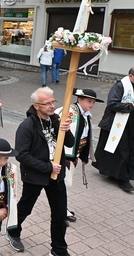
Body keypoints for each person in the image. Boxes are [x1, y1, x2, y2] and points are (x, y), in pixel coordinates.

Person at [6, 87, 74, 256]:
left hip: (56, 176)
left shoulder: (56, 119)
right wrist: (47, 167)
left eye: (53, 102)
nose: (52, 106)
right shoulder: (26, 126)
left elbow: (70, 143)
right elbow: (21, 155)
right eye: (47, 103)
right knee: (26, 207)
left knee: (60, 213)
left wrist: (65, 130)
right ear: (36, 106)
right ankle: (13, 231)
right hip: (36, 176)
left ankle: (59, 250)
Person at [93, 66, 134, 193]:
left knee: (129, 151)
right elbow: (112, 104)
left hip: (133, 125)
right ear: (131, 76)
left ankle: (116, 174)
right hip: (117, 125)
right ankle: (123, 179)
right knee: (121, 151)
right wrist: (132, 106)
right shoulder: (120, 86)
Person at [55, 88, 103, 225]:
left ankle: (61, 208)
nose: (91, 105)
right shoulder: (68, 111)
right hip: (64, 154)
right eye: (89, 101)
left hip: (74, 154)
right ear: (79, 99)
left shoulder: (86, 115)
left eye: (93, 102)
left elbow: (85, 136)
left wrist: (84, 154)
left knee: (63, 184)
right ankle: (61, 211)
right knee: (65, 183)